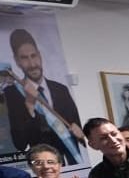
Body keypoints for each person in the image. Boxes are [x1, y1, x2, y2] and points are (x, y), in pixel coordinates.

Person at [4, 29, 85, 165]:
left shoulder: (61, 90)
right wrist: (29, 105)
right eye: (24, 58)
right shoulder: (12, 94)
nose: (32, 64)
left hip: (76, 167)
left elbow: (83, 135)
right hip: (44, 167)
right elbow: (20, 143)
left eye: (34, 55)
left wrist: (82, 135)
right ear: (17, 61)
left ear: (40, 56)